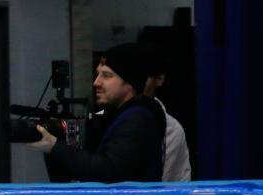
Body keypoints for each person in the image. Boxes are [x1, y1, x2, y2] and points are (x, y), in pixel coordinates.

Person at [29, 43, 165, 183]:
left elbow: (109, 171)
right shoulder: (113, 116)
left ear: (129, 83)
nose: (96, 82)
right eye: (97, 74)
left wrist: (55, 147)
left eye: (106, 76)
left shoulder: (137, 118)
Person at [143, 45, 192, 182]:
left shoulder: (170, 128)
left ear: (159, 79)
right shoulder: (109, 116)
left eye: (143, 77)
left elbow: (156, 189)